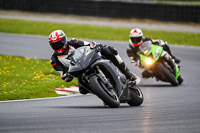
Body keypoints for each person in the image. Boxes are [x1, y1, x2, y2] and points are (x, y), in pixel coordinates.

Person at [49, 30, 137, 94]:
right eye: (54, 45)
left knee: (109, 50)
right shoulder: (54, 59)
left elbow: (88, 44)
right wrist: (67, 75)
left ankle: (126, 72)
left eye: (59, 43)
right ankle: (106, 93)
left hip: (89, 59)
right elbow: (62, 74)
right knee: (82, 90)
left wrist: (95, 46)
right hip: (80, 72)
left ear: (64, 40)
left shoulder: (73, 42)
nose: (57, 46)